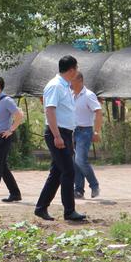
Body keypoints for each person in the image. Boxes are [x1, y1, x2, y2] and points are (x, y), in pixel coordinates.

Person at [34, 55, 87, 222]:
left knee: (57, 172)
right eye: (76, 69)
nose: (77, 72)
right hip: (56, 132)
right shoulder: (55, 86)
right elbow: (49, 111)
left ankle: (41, 207)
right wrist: (57, 135)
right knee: (68, 171)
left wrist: (66, 136)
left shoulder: (65, 86)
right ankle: (69, 211)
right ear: (71, 70)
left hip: (64, 133)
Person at [0, 76, 24, 203]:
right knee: (2, 167)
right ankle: (15, 193)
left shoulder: (7, 100)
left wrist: (11, 130)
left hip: (2, 138)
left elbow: (18, 116)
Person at [71, 71, 103, 199]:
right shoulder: (70, 95)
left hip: (85, 131)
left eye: (72, 80)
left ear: (80, 80)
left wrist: (96, 131)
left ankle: (94, 185)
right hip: (72, 131)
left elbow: (99, 112)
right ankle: (78, 190)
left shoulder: (89, 95)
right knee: (75, 162)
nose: (70, 83)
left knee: (80, 160)